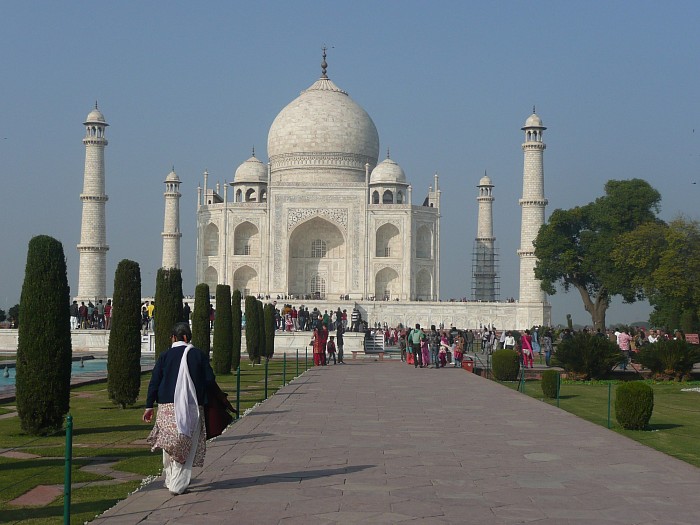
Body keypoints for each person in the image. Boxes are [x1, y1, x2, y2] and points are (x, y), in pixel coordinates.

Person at [143, 322, 215, 495]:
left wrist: (148, 406)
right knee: (186, 444)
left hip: (166, 406)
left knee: (170, 444)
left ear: (175, 337)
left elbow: (154, 382)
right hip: (191, 407)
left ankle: (170, 479)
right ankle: (177, 484)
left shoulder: (165, 356)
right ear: (186, 337)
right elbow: (210, 379)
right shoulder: (197, 355)